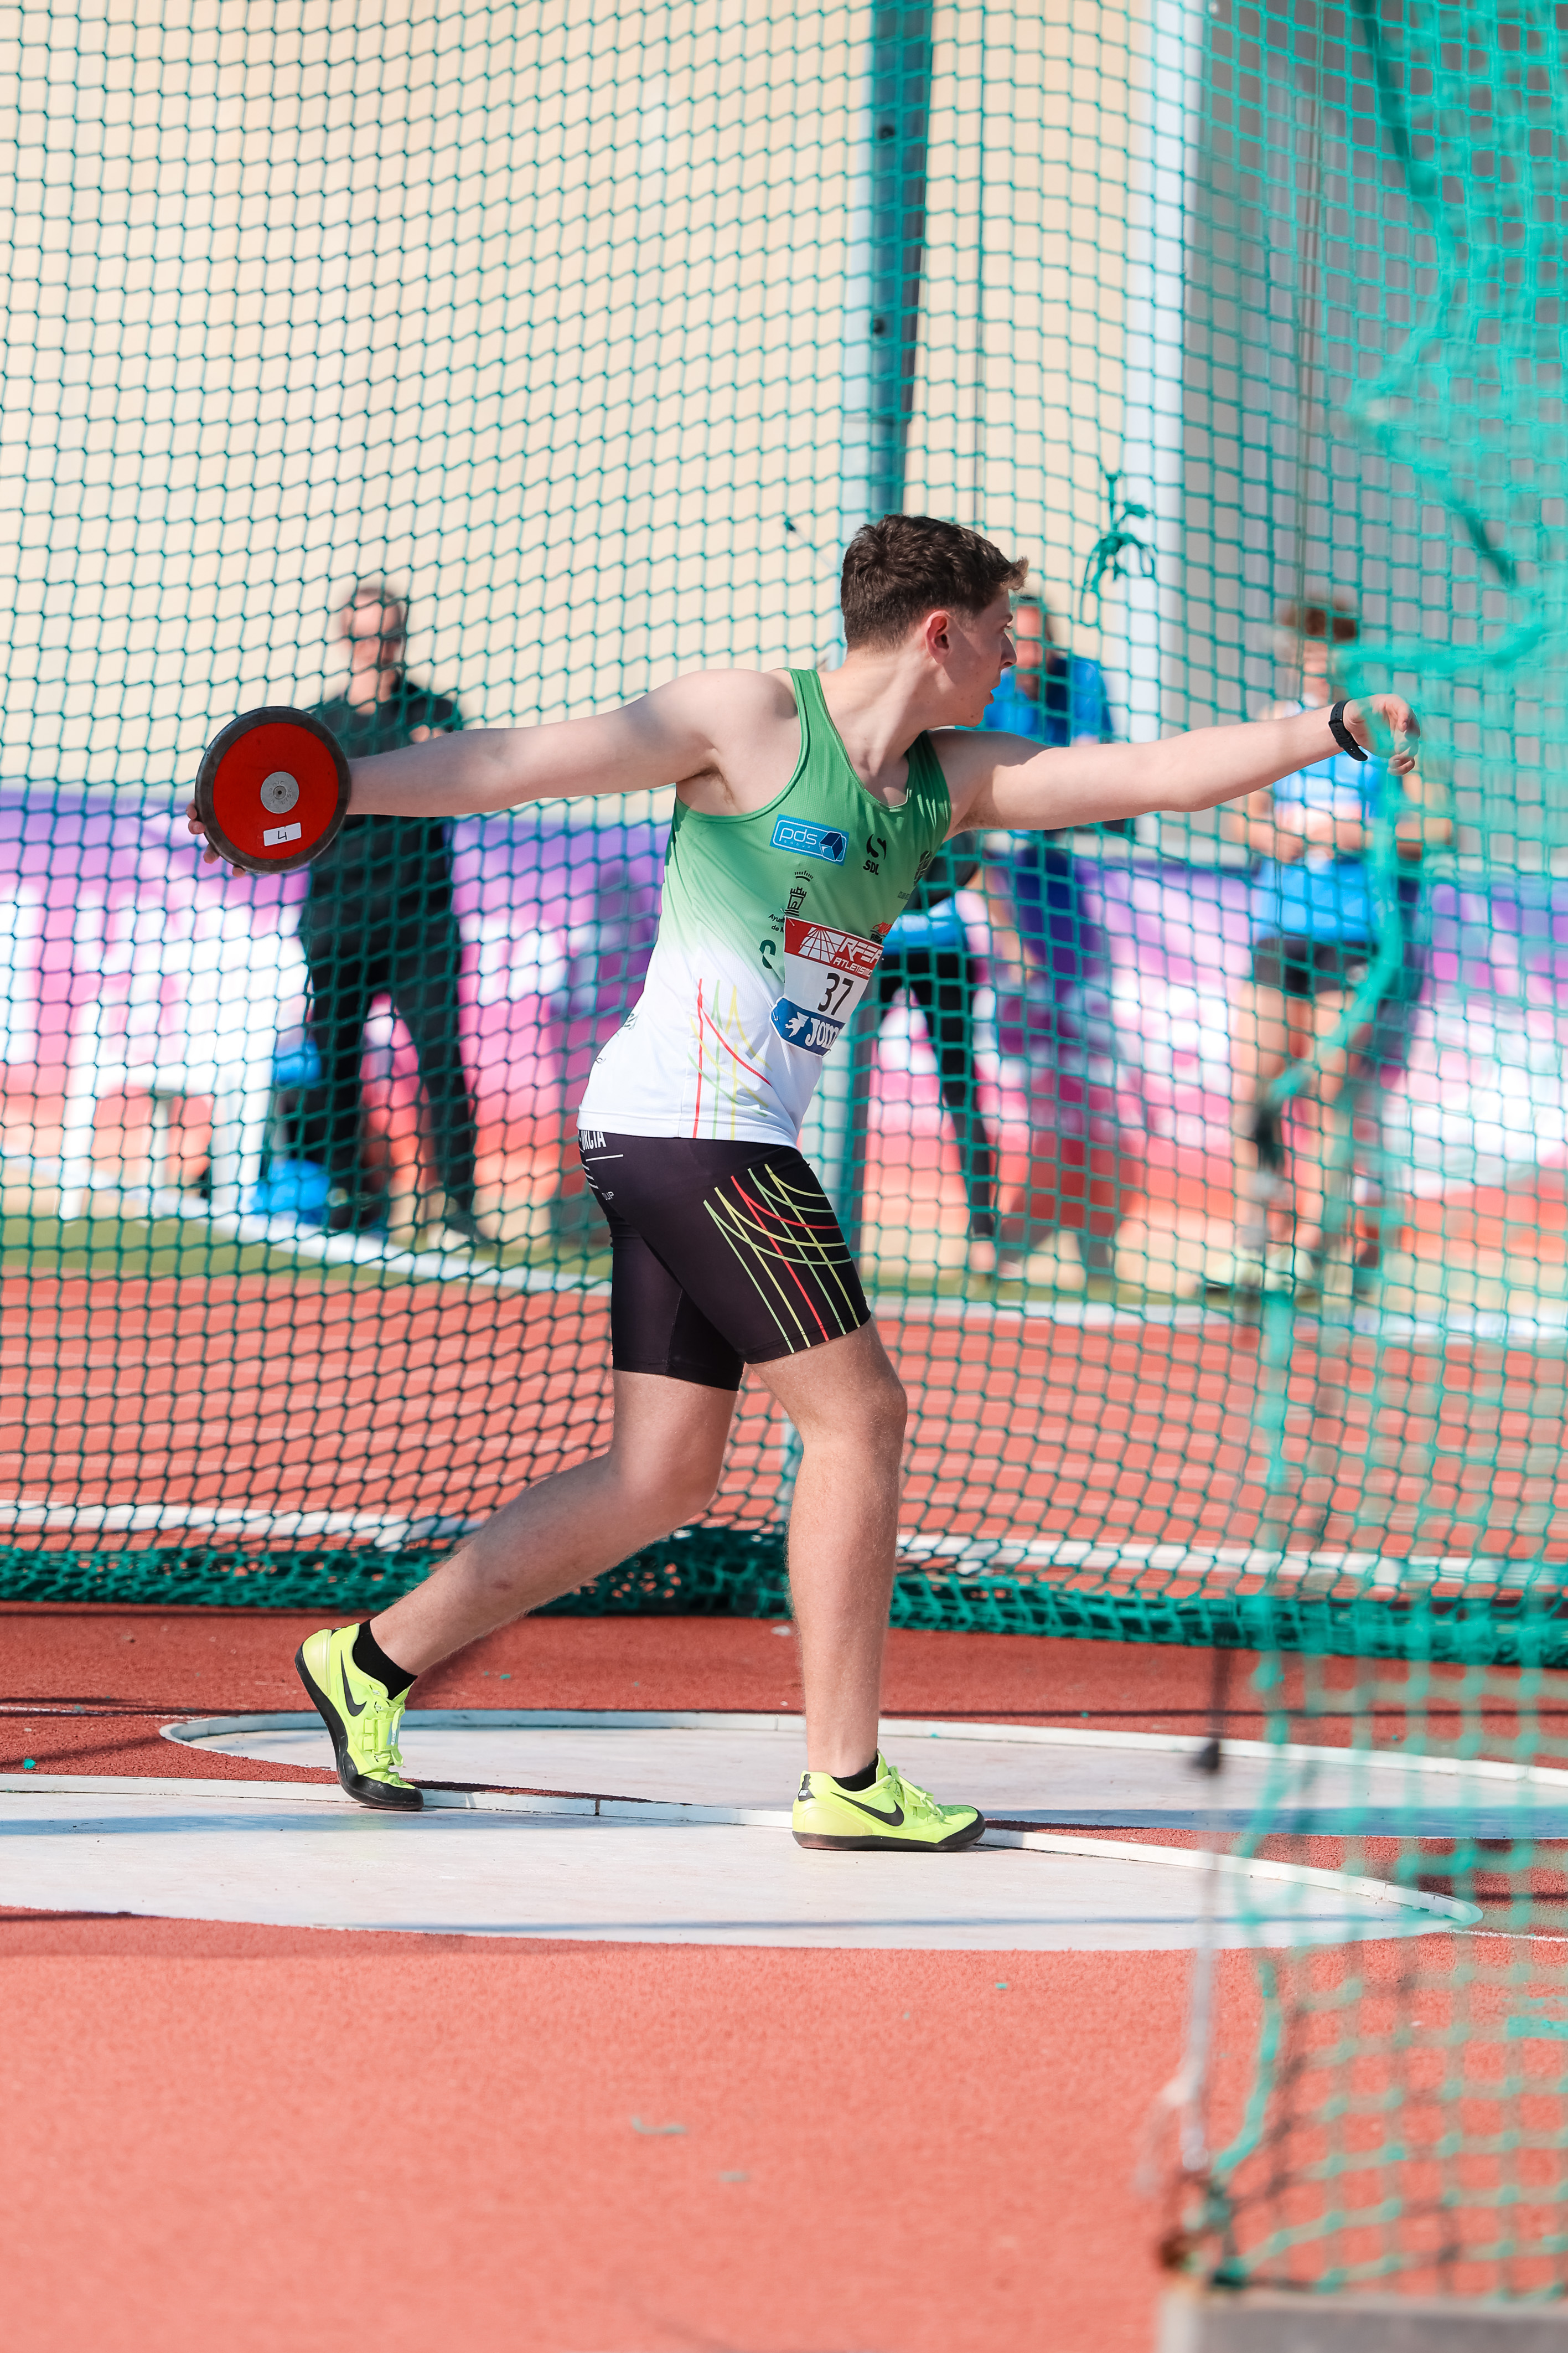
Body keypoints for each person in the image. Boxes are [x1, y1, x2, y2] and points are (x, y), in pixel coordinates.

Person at [190, 514, 1417, 1846]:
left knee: (660, 1478)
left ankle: (367, 1661)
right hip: (694, 1129)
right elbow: (510, 765)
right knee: (859, 1417)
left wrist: (1328, 730)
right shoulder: (752, 719)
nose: (1015, 660)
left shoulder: (949, 779)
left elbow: (1154, 775)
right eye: (1000, 635)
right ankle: (844, 1776)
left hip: (696, 1134)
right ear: (939, 633)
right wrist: (326, 783)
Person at [1220, 596, 1448, 1291]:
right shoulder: (1277, 721)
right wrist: (1272, 836)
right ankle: (1255, 1238)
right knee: (1254, 1089)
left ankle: (1313, 1249)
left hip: (1354, 934)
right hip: (1280, 927)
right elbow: (1242, 820)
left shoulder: (1388, 730)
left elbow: (1439, 827)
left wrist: (1362, 836)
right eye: (1306, 646)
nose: (1316, 659)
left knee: (1328, 1087)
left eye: (1329, 647)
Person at [300, 578, 493, 1248]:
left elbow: (465, 784)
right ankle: (350, 1196)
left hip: (420, 923)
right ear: (343, 639)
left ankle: (459, 1209)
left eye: (388, 636)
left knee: (441, 1062)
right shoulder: (319, 726)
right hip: (338, 923)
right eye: (364, 637)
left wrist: (430, 750)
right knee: (337, 1063)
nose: (377, 649)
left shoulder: (435, 713)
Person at [976, 595, 1124, 1281]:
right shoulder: (988, 694)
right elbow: (978, 823)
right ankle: (1012, 1232)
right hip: (1015, 940)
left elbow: (1097, 788)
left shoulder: (1083, 681)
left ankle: (1094, 1237)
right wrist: (1009, 937)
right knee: (1029, 1095)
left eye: (1038, 645)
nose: (1026, 660)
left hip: (1079, 935)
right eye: (1018, 646)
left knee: (1089, 1092)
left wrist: (1041, 808)